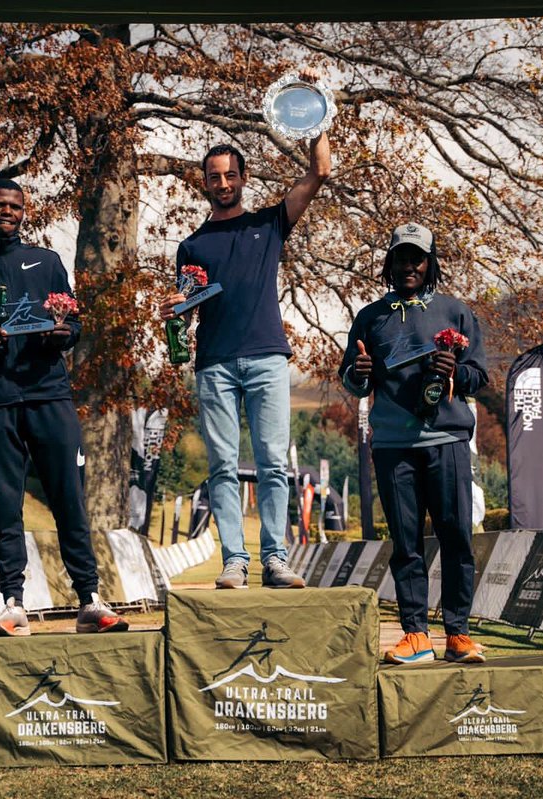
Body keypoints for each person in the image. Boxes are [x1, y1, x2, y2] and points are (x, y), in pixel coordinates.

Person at [0, 177, 127, 637]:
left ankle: (89, 601)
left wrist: (65, 335)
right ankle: (13, 604)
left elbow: (73, 322)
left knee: (69, 499)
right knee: (4, 505)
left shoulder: (48, 262)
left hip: (49, 395)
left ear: (24, 211)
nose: (7, 212)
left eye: (15, 206)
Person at [160, 79, 331, 590]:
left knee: (274, 462)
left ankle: (276, 559)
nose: (223, 181)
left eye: (231, 174)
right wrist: (173, 311)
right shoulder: (191, 246)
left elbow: (320, 171)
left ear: (243, 178)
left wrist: (316, 118)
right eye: (214, 176)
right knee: (222, 465)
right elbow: (183, 316)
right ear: (205, 183)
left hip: (266, 359)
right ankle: (235, 561)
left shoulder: (270, 224)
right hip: (213, 363)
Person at [338, 223, 488, 664]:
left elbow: (479, 376)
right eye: (401, 258)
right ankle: (415, 635)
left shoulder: (456, 312)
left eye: (417, 258)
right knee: (406, 544)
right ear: (389, 263)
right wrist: (359, 373)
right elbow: (350, 378)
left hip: (447, 440)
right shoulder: (370, 317)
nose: (408, 266)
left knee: (456, 536)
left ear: (430, 263)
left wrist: (455, 372)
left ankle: (458, 634)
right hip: (391, 446)